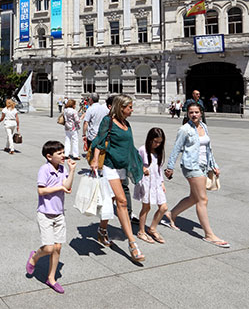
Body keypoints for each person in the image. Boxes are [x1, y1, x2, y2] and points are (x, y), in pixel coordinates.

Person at [88, 94, 146, 261]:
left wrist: (139, 164)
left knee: (111, 200)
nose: (132, 109)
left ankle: (102, 230)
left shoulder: (126, 124)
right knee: (122, 201)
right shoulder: (108, 121)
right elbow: (100, 140)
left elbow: (129, 146)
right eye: (129, 107)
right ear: (121, 107)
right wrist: (94, 160)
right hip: (109, 166)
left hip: (121, 167)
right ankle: (133, 244)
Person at [164, 103, 228, 248]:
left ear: (201, 113)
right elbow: (176, 149)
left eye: (196, 112)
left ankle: (171, 214)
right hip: (191, 166)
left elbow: (208, 149)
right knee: (202, 199)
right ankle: (209, 235)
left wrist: (214, 165)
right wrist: (169, 167)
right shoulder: (184, 130)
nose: (193, 115)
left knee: (194, 197)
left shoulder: (204, 127)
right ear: (187, 114)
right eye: (191, 112)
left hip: (204, 166)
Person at [25, 141, 76, 294]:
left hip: (59, 214)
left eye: (63, 152)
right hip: (45, 214)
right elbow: (41, 191)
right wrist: (59, 187)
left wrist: (71, 170)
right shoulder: (44, 170)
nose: (63, 155)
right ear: (49, 156)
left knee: (58, 247)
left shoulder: (61, 168)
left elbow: (67, 186)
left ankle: (51, 278)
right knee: (48, 247)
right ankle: (34, 258)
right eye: (59, 153)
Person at [134, 128, 169, 244]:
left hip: (157, 182)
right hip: (146, 182)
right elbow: (136, 164)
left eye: (159, 142)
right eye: (155, 141)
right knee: (146, 207)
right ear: (150, 139)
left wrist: (162, 183)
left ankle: (152, 228)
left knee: (163, 207)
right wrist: (143, 169)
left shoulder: (158, 152)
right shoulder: (143, 150)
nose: (157, 144)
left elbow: (159, 168)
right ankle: (141, 231)